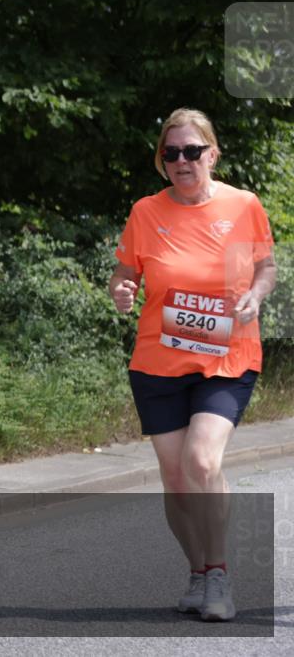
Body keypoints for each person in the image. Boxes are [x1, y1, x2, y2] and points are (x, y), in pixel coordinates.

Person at [109, 108, 277, 622]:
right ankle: (199, 571)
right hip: (158, 359)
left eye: (192, 151)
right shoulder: (146, 212)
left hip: (227, 355)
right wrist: (121, 289)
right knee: (176, 477)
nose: (182, 161)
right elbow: (124, 272)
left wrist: (254, 294)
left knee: (202, 462)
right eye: (172, 153)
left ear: (213, 153)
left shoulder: (242, 205)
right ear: (163, 160)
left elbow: (266, 266)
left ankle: (219, 574)